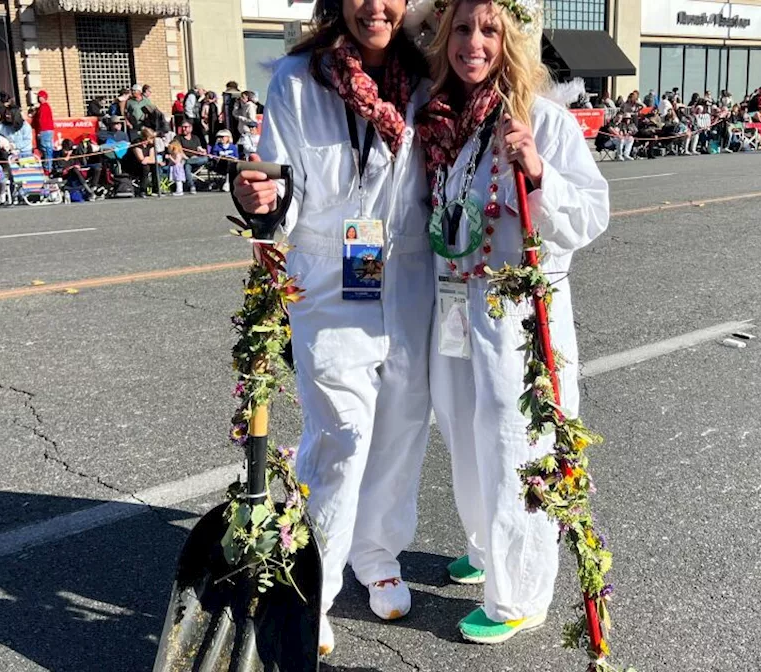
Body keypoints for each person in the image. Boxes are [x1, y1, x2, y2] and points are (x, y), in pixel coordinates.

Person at [233, 0, 434, 656]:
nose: (375, 5)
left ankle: (376, 552)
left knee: (403, 423)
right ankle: (312, 580)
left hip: (406, 269)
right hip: (331, 270)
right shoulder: (298, 77)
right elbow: (276, 179)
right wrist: (257, 197)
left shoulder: (425, 75)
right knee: (344, 429)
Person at [414, 0, 608, 644]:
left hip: (521, 314)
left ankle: (519, 593)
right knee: (463, 431)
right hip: (455, 309)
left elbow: (590, 216)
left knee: (515, 445)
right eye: (463, 29)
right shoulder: (442, 124)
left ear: (512, 40)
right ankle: (484, 546)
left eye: (489, 29)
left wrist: (537, 171)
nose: (474, 41)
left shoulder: (543, 121)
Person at [33, 90, 56, 171]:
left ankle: (47, 168)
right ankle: (49, 167)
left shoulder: (43, 107)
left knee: (46, 149)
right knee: (48, 149)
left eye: (39, 96)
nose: (38, 98)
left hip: (44, 130)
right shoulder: (45, 106)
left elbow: (41, 120)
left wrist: (39, 132)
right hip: (48, 130)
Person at [233, 90, 260, 159]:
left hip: (248, 131)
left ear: (248, 97)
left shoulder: (250, 106)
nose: (241, 99)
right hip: (242, 130)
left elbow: (252, 120)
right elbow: (235, 114)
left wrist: (241, 118)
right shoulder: (244, 106)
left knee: (246, 149)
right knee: (242, 149)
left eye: (243, 97)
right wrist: (236, 104)